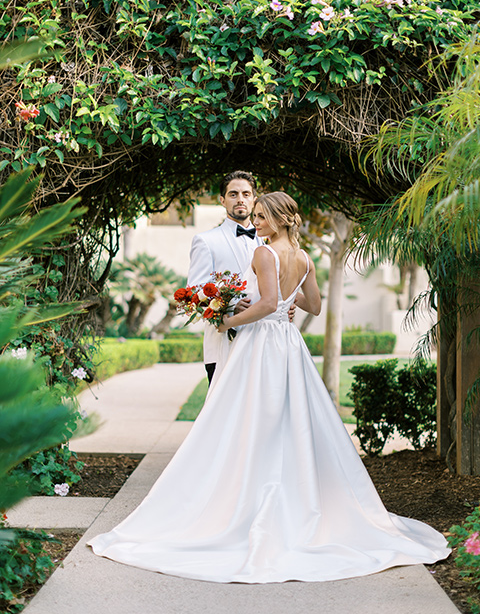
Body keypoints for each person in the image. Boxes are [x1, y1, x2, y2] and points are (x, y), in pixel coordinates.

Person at [88, 192, 450, 584]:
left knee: (245, 418)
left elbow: (265, 304)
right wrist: (285, 306)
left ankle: (245, 494)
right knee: (289, 420)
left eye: (261, 216)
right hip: (289, 345)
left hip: (260, 343)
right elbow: (313, 305)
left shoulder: (264, 254)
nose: (256, 222)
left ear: (279, 218)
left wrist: (229, 322)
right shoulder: (306, 257)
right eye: (255, 216)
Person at [187, 170, 262, 384]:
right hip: (224, 345)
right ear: (222, 200)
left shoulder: (268, 241)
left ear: (254, 199)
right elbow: (194, 293)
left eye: (246, 194)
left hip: (264, 344)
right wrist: (230, 306)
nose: (240, 199)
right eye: (233, 194)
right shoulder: (206, 241)